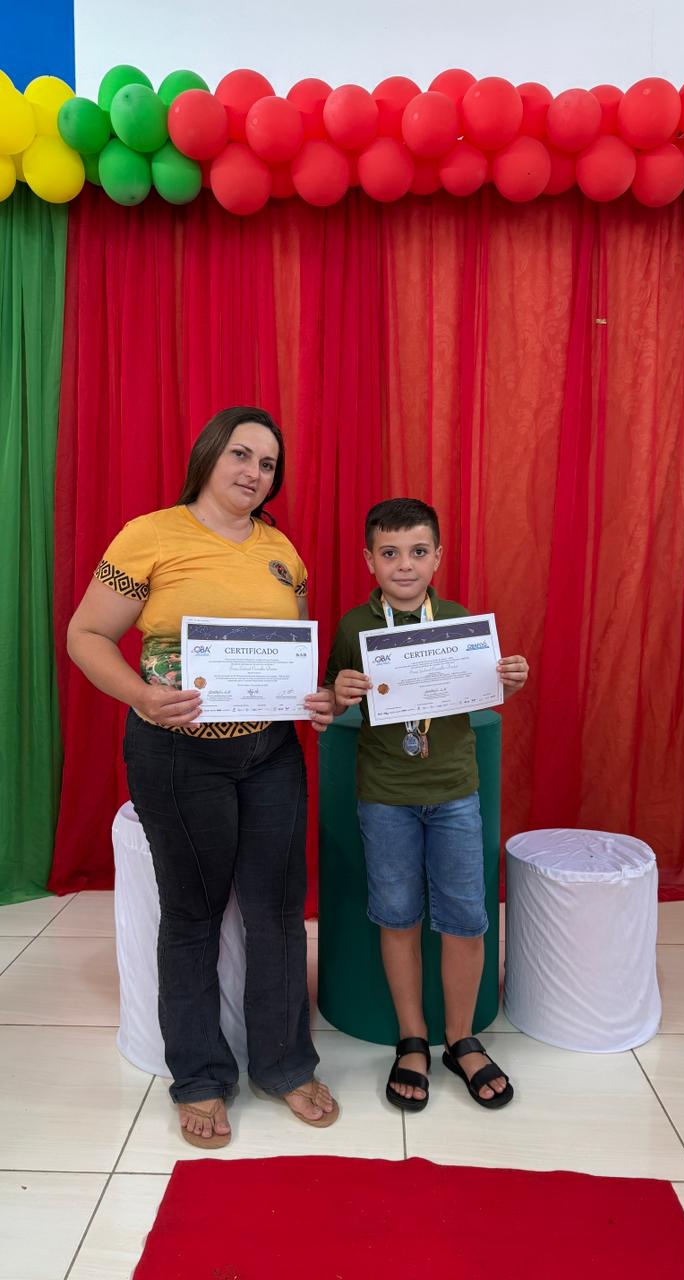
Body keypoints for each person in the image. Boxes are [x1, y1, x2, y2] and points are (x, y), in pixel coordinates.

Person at [67, 406, 338, 1148]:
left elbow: (293, 657)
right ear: (210, 456)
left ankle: (284, 1064)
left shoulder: (282, 551)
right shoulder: (150, 535)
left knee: (277, 912)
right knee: (192, 915)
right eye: (241, 455)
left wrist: (313, 698)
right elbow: (85, 634)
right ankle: (200, 1077)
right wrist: (140, 695)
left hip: (271, 752)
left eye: (268, 464)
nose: (254, 473)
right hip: (177, 754)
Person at [324, 498, 529, 1113]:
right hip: (385, 797)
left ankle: (461, 1040)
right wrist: (337, 693)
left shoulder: (461, 620)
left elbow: (484, 685)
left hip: (455, 793)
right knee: (397, 917)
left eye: (418, 552)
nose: (405, 565)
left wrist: (509, 678)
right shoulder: (354, 627)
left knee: (466, 917)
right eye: (389, 553)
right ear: (369, 560)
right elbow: (329, 702)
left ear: (438, 557)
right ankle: (412, 1039)